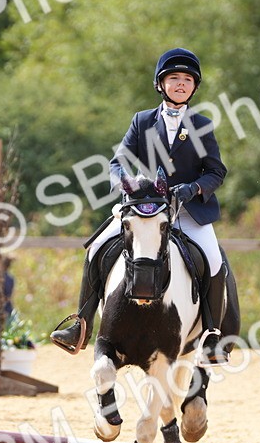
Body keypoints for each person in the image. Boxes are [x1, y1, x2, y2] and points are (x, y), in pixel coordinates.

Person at [49, 46, 229, 361]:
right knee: (96, 248)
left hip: (187, 212)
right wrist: (124, 182)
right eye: (174, 78)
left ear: (194, 86)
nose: (181, 84)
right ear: (161, 84)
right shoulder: (142, 120)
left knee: (213, 261)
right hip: (145, 209)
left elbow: (216, 171)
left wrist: (193, 188)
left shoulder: (201, 125)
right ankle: (81, 325)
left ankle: (212, 335)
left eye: (187, 79)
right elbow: (118, 162)